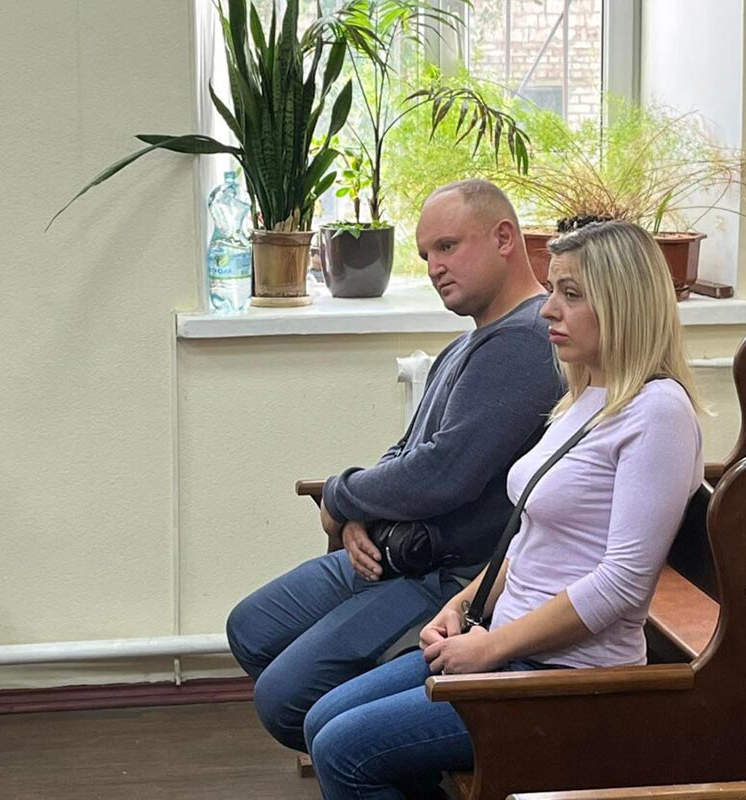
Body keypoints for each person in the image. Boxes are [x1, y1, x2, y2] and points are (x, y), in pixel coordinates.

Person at [304, 219, 706, 799]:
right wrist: (463, 605)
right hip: (507, 643)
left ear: (624, 305)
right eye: (553, 290)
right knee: (322, 722)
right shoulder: (585, 396)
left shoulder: (658, 413)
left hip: (567, 676)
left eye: (571, 295)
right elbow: (533, 542)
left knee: (345, 752)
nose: (547, 309)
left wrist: (489, 647)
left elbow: (621, 584)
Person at [226, 180, 564, 753]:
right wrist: (356, 515)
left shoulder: (526, 342)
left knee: (284, 699)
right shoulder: (473, 339)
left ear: (505, 238)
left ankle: (378, 747)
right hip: (389, 545)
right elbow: (406, 452)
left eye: (449, 246)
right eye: (426, 253)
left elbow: (443, 475)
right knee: (251, 628)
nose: (434, 267)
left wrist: (340, 495)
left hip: (447, 575)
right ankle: (364, 732)